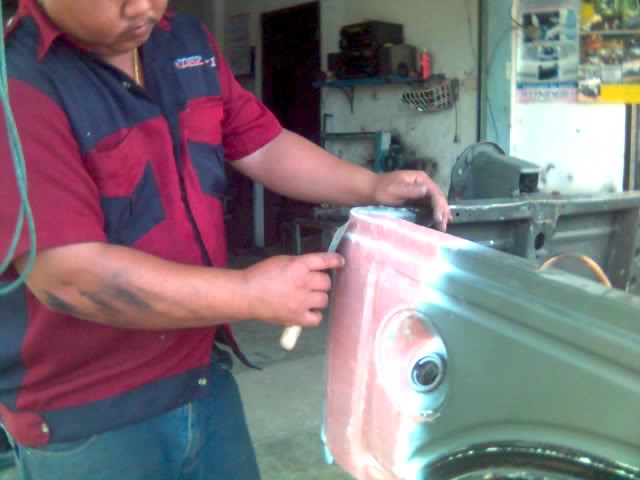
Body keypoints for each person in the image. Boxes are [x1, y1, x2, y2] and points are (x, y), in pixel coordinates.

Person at [0, 0, 452, 479]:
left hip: (201, 375)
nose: (144, 7)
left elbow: (264, 146)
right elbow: (71, 278)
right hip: (86, 414)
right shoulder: (17, 85)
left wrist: (372, 186)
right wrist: (249, 294)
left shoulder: (185, 42)